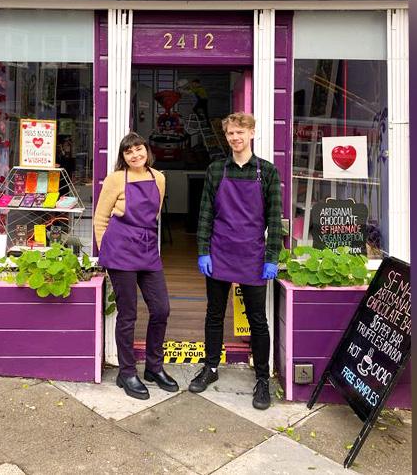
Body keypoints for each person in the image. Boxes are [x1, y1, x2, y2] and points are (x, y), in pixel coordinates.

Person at [190, 112, 283, 409]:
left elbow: (274, 219)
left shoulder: (267, 172)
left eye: (240, 132)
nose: (235, 138)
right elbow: (204, 214)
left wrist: (272, 257)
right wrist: (203, 250)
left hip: (254, 256)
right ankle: (211, 368)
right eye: (230, 133)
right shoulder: (216, 170)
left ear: (252, 133)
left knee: (258, 320)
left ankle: (262, 379)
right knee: (214, 314)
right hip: (219, 251)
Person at [94, 132, 179, 399]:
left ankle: (154, 367)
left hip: (147, 249)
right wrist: (106, 252)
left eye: (138, 149)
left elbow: (154, 215)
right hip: (120, 250)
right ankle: (127, 372)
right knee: (128, 314)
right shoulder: (116, 179)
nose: (135, 155)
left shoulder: (159, 178)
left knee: (161, 308)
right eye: (128, 152)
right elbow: (100, 218)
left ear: (146, 151)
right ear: (123, 157)